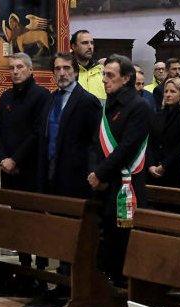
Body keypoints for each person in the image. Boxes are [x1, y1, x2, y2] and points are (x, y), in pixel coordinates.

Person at [87, 54, 152, 285]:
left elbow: (127, 147)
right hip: (106, 185)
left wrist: (100, 173)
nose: (105, 80)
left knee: (123, 239)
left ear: (126, 78)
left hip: (127, 185)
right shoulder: (107, 105)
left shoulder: (139, 106)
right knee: (106, 238)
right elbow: (96, 143)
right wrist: (96, 173)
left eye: (110, 75)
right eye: (104, 75)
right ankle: (107, 285)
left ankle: (124, 287)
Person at [0, 52, 49, 285]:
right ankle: (25, 267)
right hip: (9, 170)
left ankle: (42, 268)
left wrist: (16, 159)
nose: (15, 71)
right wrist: (3, 158)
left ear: (30, 70)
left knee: (36, 221)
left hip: (31, 169)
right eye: (12, 68)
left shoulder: (41, 96)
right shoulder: (5, 97)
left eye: (20, 67)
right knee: (18, 220)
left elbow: (37, 133)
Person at [39, 52, 102, 200]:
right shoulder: (50, 99)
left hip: (75, 175)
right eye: (57, 69)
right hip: (50, 170)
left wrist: (93, 173)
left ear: (75, 71)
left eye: (66, 68)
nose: (62, 73)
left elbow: (95, 142)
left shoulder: (88, 101)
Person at [147, 77, 180, 189]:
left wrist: (164, 165)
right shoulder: (158, 115)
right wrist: (151, 165)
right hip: (154, 168)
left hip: (175, 169)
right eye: (166, 91)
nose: (168, 94)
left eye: (173, 91)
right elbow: (150, 142)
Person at [71, 30, 104, 101]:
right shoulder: (67, 72)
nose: (90, 47)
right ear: (74, 46)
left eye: (92, 43)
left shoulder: (101, 70)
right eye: (85, 43)